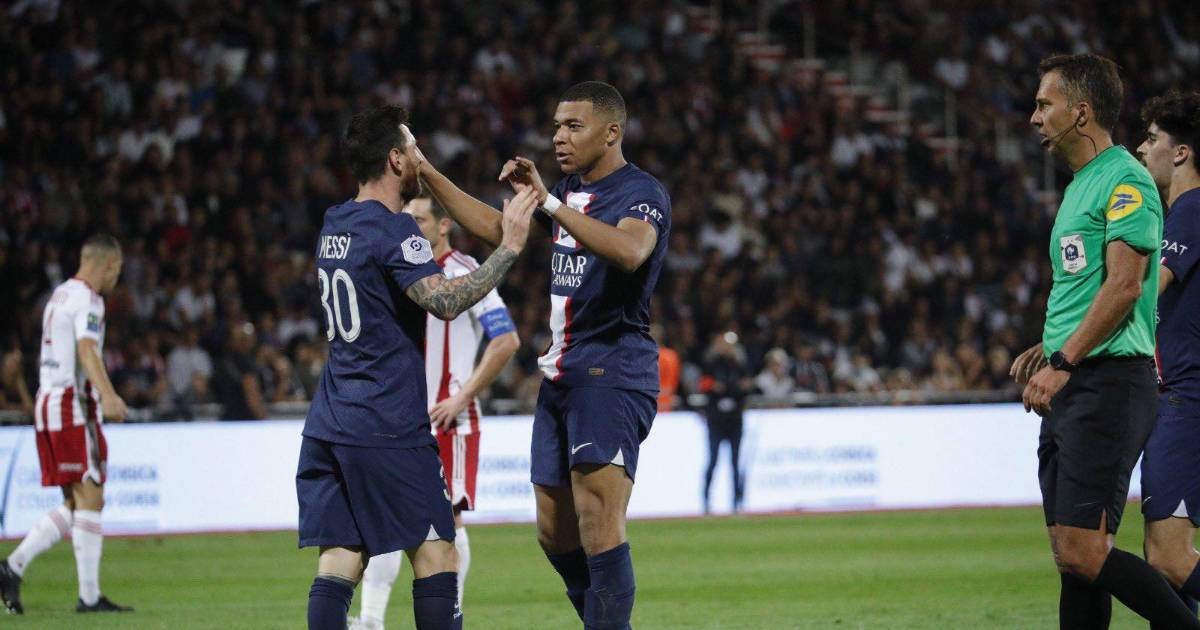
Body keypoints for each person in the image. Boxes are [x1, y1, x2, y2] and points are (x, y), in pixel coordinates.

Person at [416, 80, 670, 629]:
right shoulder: (567, 190)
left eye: (574, 126)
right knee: (554, 532)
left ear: (611, 133)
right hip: (561, 375)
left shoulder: (640, 192)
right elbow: (497, 228)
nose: (559, 137)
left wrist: (550, 202)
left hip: (611, 369)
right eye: (557, 126)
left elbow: (630, 251)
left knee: (598, 522)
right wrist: (427, 172)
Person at [295, 104, 536, 630]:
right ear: (396, 159)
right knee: (437, 552)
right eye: (414, 150)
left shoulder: (335, 222)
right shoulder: (395, 229)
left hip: (330, 418)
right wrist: (509, 248)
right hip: (387, 421)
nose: (420, 160)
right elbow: (444, 301)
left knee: (341, 557)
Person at [1011, 53, 1198, 628]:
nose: (1035, 118)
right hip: (1077, 381)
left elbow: (1125, 286)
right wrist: (1052, 343)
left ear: (1081, 111)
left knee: (1084, 551)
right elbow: (1088, 286)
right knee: (1074, 560)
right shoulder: (1079, 187)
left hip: (1107, 383)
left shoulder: (1125, 181)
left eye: (1045, 104)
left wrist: (1065, 358)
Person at [350, 195, 521, 630]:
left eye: (420, 219)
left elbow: (506, 340)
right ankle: (370, 621)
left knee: (449, 520)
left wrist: (462, 397)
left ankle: (449, 615)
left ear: (444, 225)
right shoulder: (401, 270)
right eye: (406, 219)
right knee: (387, 517)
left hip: (449, 419)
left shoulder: (465, 271)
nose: (411, 226)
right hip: (402, 418)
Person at [0, 233, 133, 614]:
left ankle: (13, 566)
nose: (116, 278)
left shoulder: (59, 295)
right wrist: (108, 395)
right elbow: (87, 350)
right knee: (91, 496)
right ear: (108, 264)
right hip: (71, 405)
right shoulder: (89, 299)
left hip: (48, 403)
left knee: (77, 502)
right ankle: (88, 598)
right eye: (117, 269)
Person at [1136, 89, 1200, 620]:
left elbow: (1144, 293)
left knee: (1167, 558)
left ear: (1181, 152)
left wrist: (1070, 336)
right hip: (1180, 396)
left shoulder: (1191, 210)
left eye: (1152, 138)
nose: (1141, 148)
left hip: (1187, 398)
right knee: (1163, 565)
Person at [701, 331, 753, 514]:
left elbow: (746, 387)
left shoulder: (739, 365)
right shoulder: (711, 364)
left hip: (734, 420)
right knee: (713, 460)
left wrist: (728, 388)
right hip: (716, 420)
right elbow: (705, 386)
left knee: (735, 462)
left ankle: (737, 501)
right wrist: (719, 387)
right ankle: (706, 501)